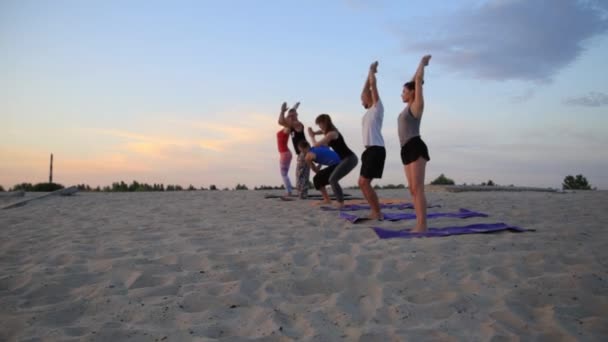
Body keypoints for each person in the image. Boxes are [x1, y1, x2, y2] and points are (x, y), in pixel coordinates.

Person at [398, 55, 432, 233]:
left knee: (418, 188)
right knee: (412, 189)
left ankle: (422, 225)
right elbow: (413, 80)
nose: (402, 94)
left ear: (412, 93)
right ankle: (419, 222)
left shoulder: (416, 106)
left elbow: (417, 81)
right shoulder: (407, 107)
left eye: (404, 91)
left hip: (415, 146)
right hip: (405, 149)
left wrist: (422, 63)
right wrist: (417, 72)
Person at [308, 114, 358, 209]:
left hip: (350, 158)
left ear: (324, 123)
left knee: (333, 179)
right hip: (345, 159)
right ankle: (339, 201)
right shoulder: (331, 132)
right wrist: (314, 132)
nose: (319, 126)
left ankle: (340, 202)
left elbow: (316, 145)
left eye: (320, 124)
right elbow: (322, 131)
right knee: (332, 179)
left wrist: (312, 136)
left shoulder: (332, 134)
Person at [359, 61, 385, 220]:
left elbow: (372, 87)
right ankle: (375, 211)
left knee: (364, 182)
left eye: (363, 97)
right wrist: (368, 74)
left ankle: (377, 213)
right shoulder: (368, 112)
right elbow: (364, 90)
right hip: (369, 150)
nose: (361, 99)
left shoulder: (377, 108)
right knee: (362, 183)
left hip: (376, 149)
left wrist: (372, 73)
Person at [278, 102, 310, 198]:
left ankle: (302, 194)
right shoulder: (292, 125)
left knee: (301, 174)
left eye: (291, 116)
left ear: (295, 115)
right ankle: (302, 193)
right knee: (301, 173)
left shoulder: (297, 124)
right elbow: (283, 121)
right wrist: (286, 111)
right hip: (302, 152)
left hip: (304, 152)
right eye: (289, 116)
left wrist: (283, 112)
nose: (290, 117)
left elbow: (281, 121)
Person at [276, 102, 293, 195]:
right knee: (284, 173)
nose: (286, 119)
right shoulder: (285, 128)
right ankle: (289, 190)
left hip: (285, 153)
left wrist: (282, 111)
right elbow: (284, 119)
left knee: (283, 174)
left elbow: (282, 121)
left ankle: (289, 191)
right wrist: (290, 110)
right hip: (285, 153)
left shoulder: (287, 128)